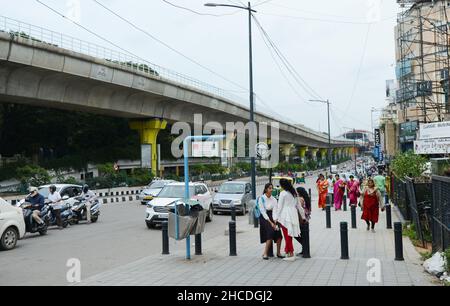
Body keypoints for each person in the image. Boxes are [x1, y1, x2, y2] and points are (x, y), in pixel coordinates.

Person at [274, 179, 301, 261]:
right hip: (293, 214)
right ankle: (288, 251)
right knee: (290, 234)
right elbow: (298, 205)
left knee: (287, 235)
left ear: (282, 185)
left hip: (285, 215)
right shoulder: (294, 193)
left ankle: (291, 253)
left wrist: (276, 218)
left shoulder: (283, 193)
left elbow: (279, 207)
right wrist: (302, 217)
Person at [258, 183, 283, 260]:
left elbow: (275, 211)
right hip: (264, 217)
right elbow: (262, 211)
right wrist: (271, 223)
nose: (271, 190)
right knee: (270, 232)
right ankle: (265, 253)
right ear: (266, 189)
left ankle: (278, 253)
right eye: (269, 188)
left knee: (279, 234)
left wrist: (275, 221)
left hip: (273, 216)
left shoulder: (274, 199)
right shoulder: (261, 198)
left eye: (272, 188)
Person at [295, 187, 311, 256]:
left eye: (296, 191)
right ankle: (304, 248)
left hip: (301, 219)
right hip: (306, 219)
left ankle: (305, 246)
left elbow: (299, 209)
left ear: (299, 192)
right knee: (303, 235)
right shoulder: (307, 198)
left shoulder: (300, 199)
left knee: (296, 234)